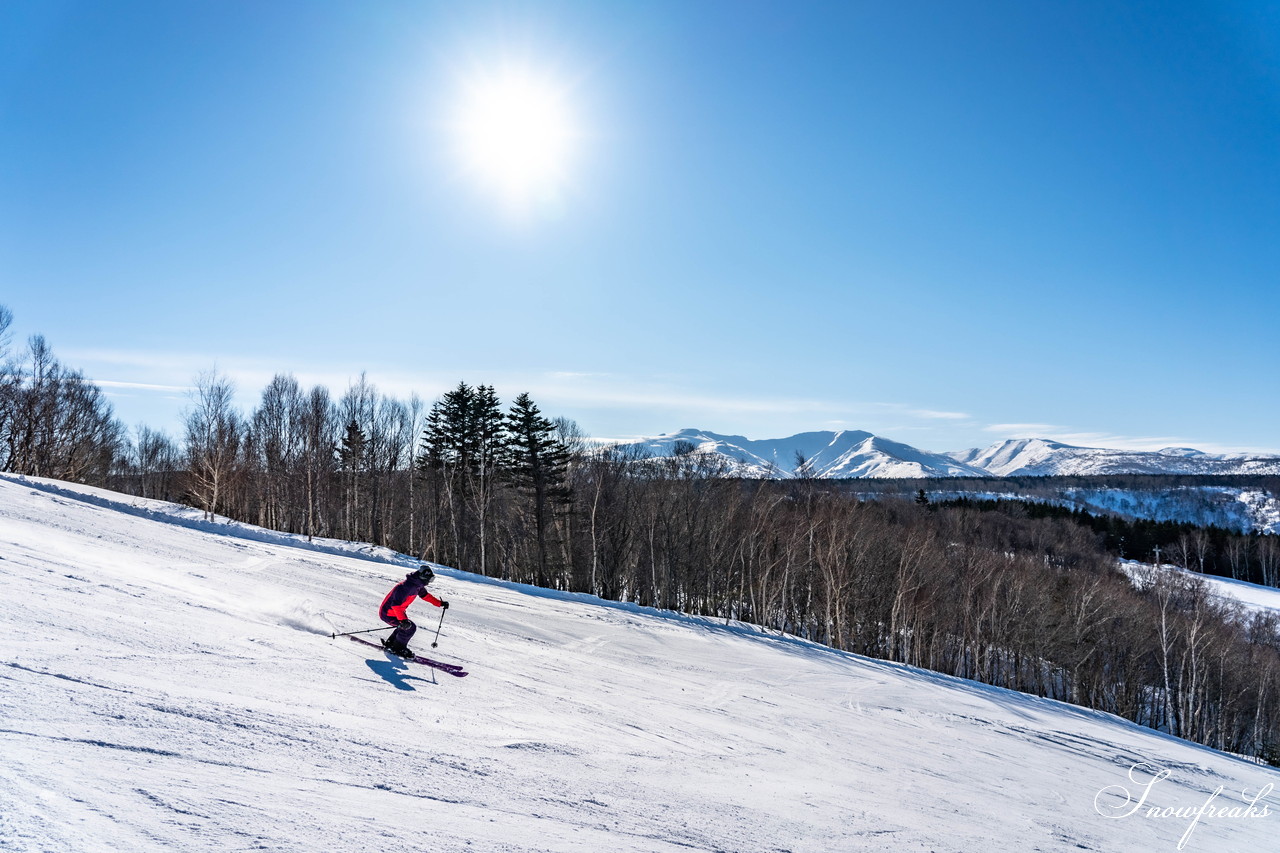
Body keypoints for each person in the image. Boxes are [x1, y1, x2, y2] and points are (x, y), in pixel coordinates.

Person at [379, 565, 448, 658]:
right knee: (409, 628)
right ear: (423, 577)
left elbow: (425, 596)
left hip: (397, 612)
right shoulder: (406, 587)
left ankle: (391, 644)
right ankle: (398, 648)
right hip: (388, 613)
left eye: (431, 579)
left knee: (404, 627)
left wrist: (440, 603)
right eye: (429, 579)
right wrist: (403, 620)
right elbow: (395, 605)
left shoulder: (417, 585)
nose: (429, 582)